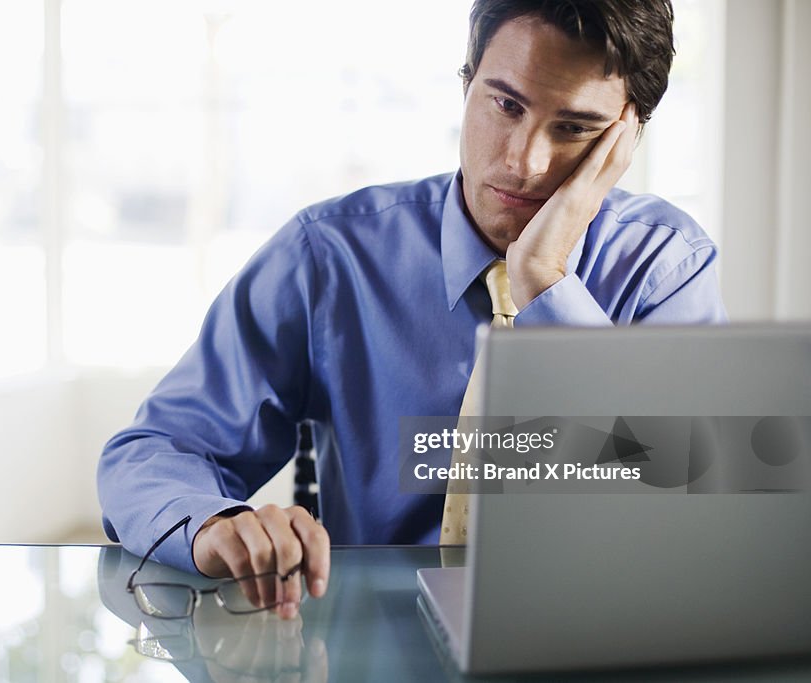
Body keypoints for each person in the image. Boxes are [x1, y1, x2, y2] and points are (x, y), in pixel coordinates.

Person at [97, 0, 727, 620]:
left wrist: (546, 282)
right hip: (371, 643)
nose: (523, 161)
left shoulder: (665, 268)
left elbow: (689, 510)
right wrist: (215, 525)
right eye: (506, 104)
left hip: (597, 638)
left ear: (626, 135)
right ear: (467, 82)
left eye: (574, 128)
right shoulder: (330, 255)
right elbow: (153, 451)